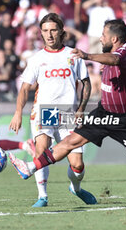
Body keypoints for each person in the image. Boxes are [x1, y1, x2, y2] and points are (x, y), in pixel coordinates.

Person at [9, 19, 126, 208]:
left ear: (115, 38)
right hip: (102, 113)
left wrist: (87, 56)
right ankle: (30, 168)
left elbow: (116, 60)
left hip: (123, 118)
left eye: (103, 35)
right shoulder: (109, 51)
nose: (100, 39)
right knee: (70, 142)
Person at [8, 13, 96, 207]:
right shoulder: (37, 59)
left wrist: (81, 109)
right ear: (41, 33)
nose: (49, 35)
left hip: (67, 112)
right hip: (44, 110)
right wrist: (17, 112)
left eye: (53, 30)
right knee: (41, 152)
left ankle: (76, 188)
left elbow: (86, 84)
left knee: (78, 164)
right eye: (45, 31)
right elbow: (25, 88)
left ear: (61, 31)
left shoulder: (73, 55)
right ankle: (42, 196)